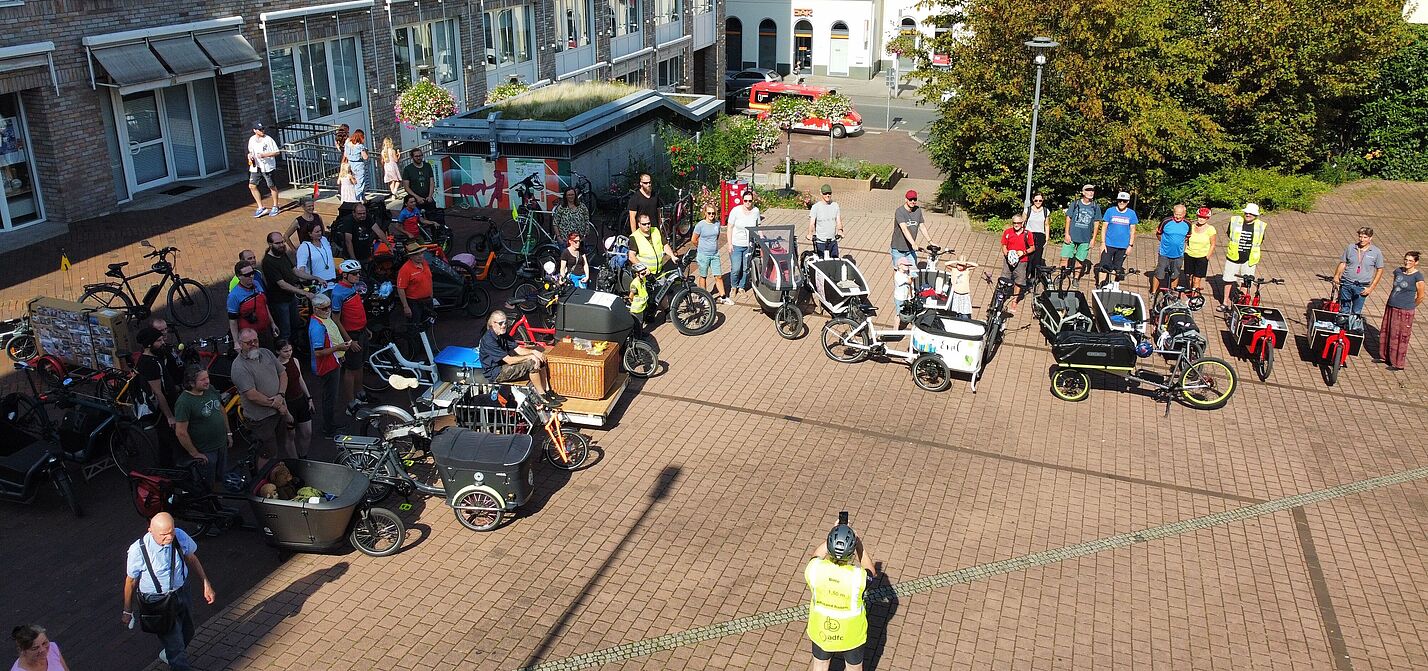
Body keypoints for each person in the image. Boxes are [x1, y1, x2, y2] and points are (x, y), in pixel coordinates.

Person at [121, 512, 215, 671]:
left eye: (171, 531)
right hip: (157, 601)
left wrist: (206, 582)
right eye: (164, 535)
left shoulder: (179, 536)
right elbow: (130, 581)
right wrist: (127, 610)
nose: (169, 537)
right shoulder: (138, 550)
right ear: (150, 530)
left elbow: (191, 558)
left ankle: (169, 654)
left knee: (188, 630)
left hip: (182, 591)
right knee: (176, 645)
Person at [804, 516, 878, 671]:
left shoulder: (815, 569)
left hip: (821, 630)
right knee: (854, 668)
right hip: (851, 635)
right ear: (851, 553)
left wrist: (835, 533)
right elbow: (871, 571)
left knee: (820, 666)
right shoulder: (858, 577)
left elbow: (815, 555)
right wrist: (857, 542)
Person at [229, 329, 290, 464]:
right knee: (267, 452)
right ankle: (261, 480)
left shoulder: (266, 353)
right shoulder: (239, 367)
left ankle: (276, 475)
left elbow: (283, 374)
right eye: (248, 342)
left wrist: (280, 395)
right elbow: (252, 395)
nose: (253, 344)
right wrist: (278, 404)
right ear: (240, 344)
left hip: (278, 411)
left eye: (255, 340)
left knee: (278, 446)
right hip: (261, 419)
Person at [478, 311, 563, 404]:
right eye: (500, 323)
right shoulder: (489, 340)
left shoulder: (503, 334)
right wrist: (530, 357)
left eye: (505, 322)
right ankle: (542, 396)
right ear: (492, 324)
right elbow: (509, 360)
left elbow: (518, 350)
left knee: (540, 359)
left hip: (504, 365)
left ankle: (547, 391)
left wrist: (534, 352)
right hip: (496, 373)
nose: (504, 325)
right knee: (532, 363)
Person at [173, 366, 229, 492]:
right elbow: (181, 432)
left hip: (221, 445)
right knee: (206, 482)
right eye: (202, 379)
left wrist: (228, 432)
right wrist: (195, 453)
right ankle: (209, 506)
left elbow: (221, 409)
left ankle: (219, 501)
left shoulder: (210, 390)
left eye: (207, 377)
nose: (207, 381)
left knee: (221, 477)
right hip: (206, 450)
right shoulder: (184, 402)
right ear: (191, 383)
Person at [307, 294, 354, 440]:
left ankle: (331, 425)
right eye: (324, 308)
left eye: (329, 306)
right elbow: (319, 352)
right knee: (329, 398)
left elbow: (333, 337)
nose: (328, 310)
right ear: (315, 309)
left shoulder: (323, 320)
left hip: (333, 361)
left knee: (331, 397)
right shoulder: (317, 327)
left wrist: (340, 353)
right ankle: (329, 429)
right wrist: (338, 348)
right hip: (326, 366)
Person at [261, 231, 322, 341]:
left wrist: (314, 277)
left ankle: (296, 346)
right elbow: (282, 284)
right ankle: (286, 352)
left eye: (282, 242)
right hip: (280, 301)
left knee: (295, 324)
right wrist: (304, 293)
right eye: (278, 243)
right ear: (270, 244)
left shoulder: (282, 253)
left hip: (290, 298)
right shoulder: (268, 262)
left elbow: (295, 271)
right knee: (285, 330)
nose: (281, 245)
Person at [135, 326, 182, 467]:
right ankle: (170, 469)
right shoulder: (149, 363)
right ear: (149, 344)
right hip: (163, 410)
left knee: (167, 440)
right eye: (159, 340)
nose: (162, 343)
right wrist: (169, 416)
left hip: (167, 404)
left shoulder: (154, 357)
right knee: (168, 439)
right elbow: (157, 391)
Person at [330, 260, 369, 403]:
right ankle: (351, 402)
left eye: (358, 273)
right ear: (345, 275)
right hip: (352, 335)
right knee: (351, 369)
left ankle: (360, 392)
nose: (358, 276)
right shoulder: (338, 293)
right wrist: (349, 341)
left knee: (360, 365)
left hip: (362, 331)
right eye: (354, 273)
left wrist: (366, 328)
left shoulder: (352, 287)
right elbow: (336, 319)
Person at [1381, 251, 1424, 371]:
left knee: (1400, 336)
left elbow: (1421, 296)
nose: (1407, 262)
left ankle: (1398, 363)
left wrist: (1410, 306)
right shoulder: (1398, 271)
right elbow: (1395, 287)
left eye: (1410, 260)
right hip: (1391, 305)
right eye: (1406, 259)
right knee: (1388, 331)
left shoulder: (1418, 277)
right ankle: (1385, 356)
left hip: (1405, 310)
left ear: (1416, 262)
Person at [1220, 203, 1267, 310]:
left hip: (1250, 259)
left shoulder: (1261, 225)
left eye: (1251, 213)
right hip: (1233, 256)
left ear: (1256, 215)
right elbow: (1229, 234)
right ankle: (1225, 302)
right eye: (1247, 212)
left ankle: (1241, 304)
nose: (1248, 214)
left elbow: (1260, 240)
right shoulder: (1235, 221)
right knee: (1228, 279)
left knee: (1246, 281)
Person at [272, 339, 314, 460]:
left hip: (300, 400)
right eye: (285, 351)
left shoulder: (294, 361)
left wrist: (309, 397)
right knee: (290, 435)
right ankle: (295, 461)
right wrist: (286, 412)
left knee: (307, 432)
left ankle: (303, 457)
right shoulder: (276, 367)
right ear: (278, 351)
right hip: (288, 403)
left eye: (290, 350)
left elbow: (300, 379)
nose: (289, 353)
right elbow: (279, 390)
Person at [1332, 227, 1386, 316]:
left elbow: (1380, 270)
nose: (1362, 239)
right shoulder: (1351, 247)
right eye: (1360, 237)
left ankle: (1352, 328)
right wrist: (1336, 275)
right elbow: (1343, 263)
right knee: (1343, 310)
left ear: (1370, 238)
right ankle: (1342, 328)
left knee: (1356, 312)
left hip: (1362, 286)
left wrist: (1371, 288)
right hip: (1347, 283)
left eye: (1365, 237)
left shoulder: (1376, 252)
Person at [226, 262, 275, 351]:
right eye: (247, 275)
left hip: (265, 332)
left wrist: (272, 323)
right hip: (250, 339)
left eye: (252, 273)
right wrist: (236, 342)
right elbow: (233, 321)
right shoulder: (234, 296)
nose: (251, 276)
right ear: (239, 276)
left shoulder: (257, 284)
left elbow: (264, 305)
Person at [1094, 191, 1138, 286]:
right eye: (1120, 200)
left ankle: (1111, 284)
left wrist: (1130, 245)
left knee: (1116, 267)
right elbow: (1104, 227)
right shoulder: (1110, 211)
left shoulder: (1131, 213)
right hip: (1109, 244)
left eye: (1124, 201)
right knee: (1104, 266)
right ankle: (1100, 284)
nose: (1122, 202)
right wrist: (1102, 243)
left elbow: (1133, 230)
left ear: (1128, 202)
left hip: (1123, 246)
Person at [692, 206, 730, 303]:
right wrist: (701, 247)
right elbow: (694, 240)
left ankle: (723, 297)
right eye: (709, 213)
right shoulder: (700, 225)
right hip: (703, 255)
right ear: (705, 213)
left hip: (715, 254)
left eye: (713, 213)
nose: (711, 215)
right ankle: (704, 296)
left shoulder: (717, 223)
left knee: (718, 276)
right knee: (703, 276)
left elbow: (716, 237)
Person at [1062, 184, 1100, 280]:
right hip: (1071, 236)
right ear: (1083, 192)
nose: (1091, 192)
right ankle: (1062, 276)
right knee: (1064, 257)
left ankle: (1075, 278)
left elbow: (1096, 224)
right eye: (1088, 190)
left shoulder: (1095, 206)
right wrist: (1066, 233)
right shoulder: (1075, 204)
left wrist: (1093, 239)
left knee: (1080, 259)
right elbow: (1068, 219)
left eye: (1092, 190)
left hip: (1085, 238)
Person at [1152, 203, 1191, 295]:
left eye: (1180, 215)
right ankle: (1153, 292)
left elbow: (1188, 236)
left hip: (1178, 254)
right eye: (1176, 214)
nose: (1177, 217)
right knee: (1159, 273)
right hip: (1164, 253)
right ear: (1173, 213)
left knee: (1175, 274)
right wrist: (1164, 242)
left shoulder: (1188, 223)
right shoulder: (1166, 221)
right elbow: (1158, 233)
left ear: (1184, 214)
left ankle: (1173, 292)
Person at [1000, 213, 1035, 314]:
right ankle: (1001, 298)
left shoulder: (1028, 234)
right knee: (1004, 279)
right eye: (1014, 223)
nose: (1016, 225)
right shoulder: (1007, 232)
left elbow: (1032, 248)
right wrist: (1007, 255)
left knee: (1018, 282)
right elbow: (1004, 245)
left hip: (1022, 261)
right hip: (1008, 261)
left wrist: (1023, 253)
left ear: (1022, 223)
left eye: (1018, 223)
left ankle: (1014, 301)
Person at [726, 195, 760, 298]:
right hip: (736, 244)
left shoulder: (756, 211)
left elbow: (758, 227)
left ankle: (741, 287)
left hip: (749, 245)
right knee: (736, 268)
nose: (748, 203)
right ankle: (734, 286)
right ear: (742, 200)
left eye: (750, 201)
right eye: (745, 200)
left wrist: (761, 238)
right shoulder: (736, 211)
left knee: (746, 268)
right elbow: (729, 227)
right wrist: (729, 243)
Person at [246, 121, 280, 218]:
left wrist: (264, 155)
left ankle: (275, 206)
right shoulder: (252, 140)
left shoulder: (268, 140)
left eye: (263, 129)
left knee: (271, 186)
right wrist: (250, 156)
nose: (262, 131)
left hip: (267, 167)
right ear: (254, 130)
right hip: (256, 166)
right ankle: (260, 207)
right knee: (252, 186)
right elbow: (250, 151)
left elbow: (277, 152)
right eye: (260, 129)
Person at [397, 246, 434, 330]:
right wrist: (406, 306)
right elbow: (400, 288)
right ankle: (416, 343)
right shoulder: (405, 269)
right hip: (414, 303)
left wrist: (431, 295)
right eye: (417, 254)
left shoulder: (424, 263)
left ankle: (425, 342)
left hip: (427, 301)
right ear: (411, 256)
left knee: (427, 324)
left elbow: (429, 279)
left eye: (421, 253)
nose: (420, 256)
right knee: (414, 327)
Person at [1181, 207, 1216, 292]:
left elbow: (1213, 244)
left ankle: (1195, 296)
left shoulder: (1211, 229)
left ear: (1207, 218)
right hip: (1190, 254)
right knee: (1189, 277)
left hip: (1202, 257)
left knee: (1197, 279)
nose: (1201, 219)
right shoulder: (1191, 227)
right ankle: (1190, 292)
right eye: (1200, 217)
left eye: (1204, 217)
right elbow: (1185, 239)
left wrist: (1207, 257)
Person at [809, 184, 845, 258]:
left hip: (833, 241)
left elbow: (838, 221)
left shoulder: (835, 205)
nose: (827, 195)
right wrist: (810, 233)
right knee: (822, 265)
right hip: (821, 242)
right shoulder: (816, 207)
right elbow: (812, 223)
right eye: (825, 193)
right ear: (821, 193)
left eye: (829, 193)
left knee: (835, 263)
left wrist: (840, 230)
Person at [1025, 192, 1050, 274]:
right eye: (1036, 200)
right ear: (1033, 200)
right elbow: (1022, 223)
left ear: (1042, 200)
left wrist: (1046, 238)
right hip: (1029, 234)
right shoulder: (1027, 210)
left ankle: (1034, 275)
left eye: (1040, 200)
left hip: (1040, 235)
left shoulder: (1046, 211)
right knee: (1028, 256)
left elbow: (1046, 225)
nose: (1038, 202)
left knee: (1037, 257)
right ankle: (1025, 275)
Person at [343, 129, 369, 201]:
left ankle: (361, 198)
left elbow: (345, 154)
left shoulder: (348, 144)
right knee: (360, 183)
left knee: (353, 182)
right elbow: (365, 157)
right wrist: (365, 151)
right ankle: (358, 200)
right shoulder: (360, 146)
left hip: (351, 165)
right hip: (359, 165)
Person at [892, 256, 915, 327]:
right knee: (898, 314)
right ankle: (895, 331)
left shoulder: (905, 273)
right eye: (905, 265)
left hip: (905, 297)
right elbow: (909, 281)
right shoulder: (898, 275)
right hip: (899, 298)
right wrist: (910, 278)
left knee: (905, 312)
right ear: (900, 266)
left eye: (908, 265)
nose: (907, 266)